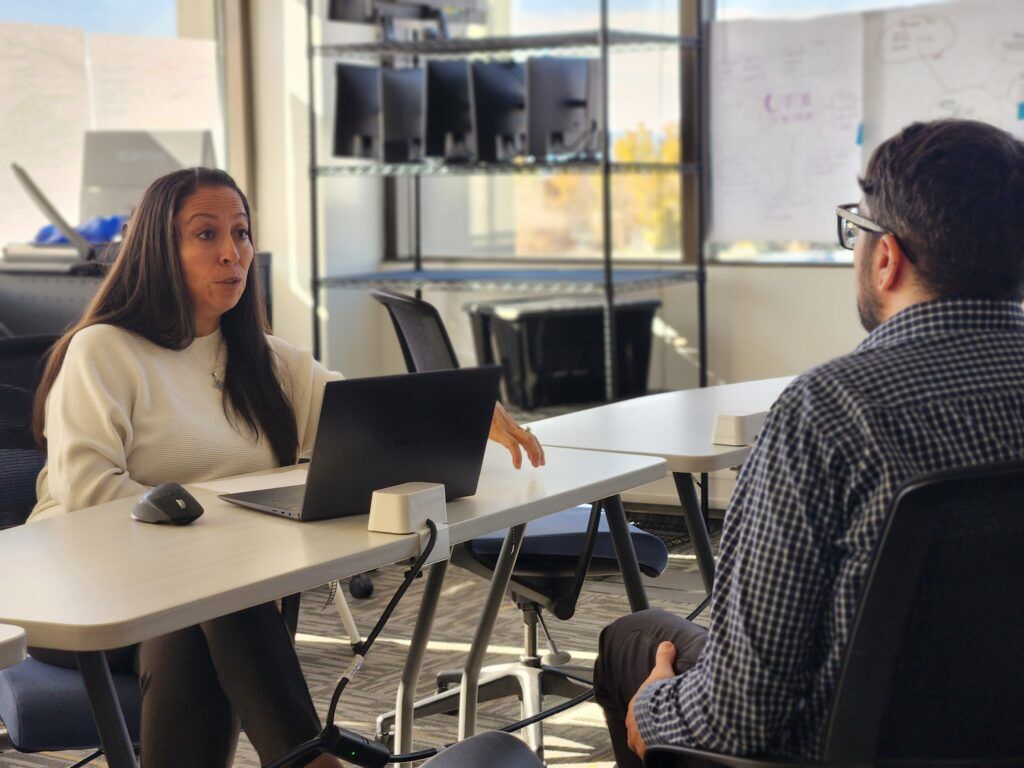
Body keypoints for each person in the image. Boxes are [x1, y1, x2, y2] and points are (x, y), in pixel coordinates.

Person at [27, 167, 545, 768]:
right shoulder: (105, 349)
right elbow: (89, 493)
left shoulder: (269, 360)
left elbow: (367, 425)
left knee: (204, 612)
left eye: (242, 233)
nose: (232, 253)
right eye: (206, 234)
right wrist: (220, 529)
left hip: (195, 597)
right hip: (79, 594)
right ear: (158, 250)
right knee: (218, 592)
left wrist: (456, 413)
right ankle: (313, 760)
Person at [592, 118, 1024, 766]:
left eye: (857, 231)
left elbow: (739, 714)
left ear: (886, 258)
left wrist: (652, 706)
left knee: (633, 639)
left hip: (837, 748)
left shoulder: (828, 411)